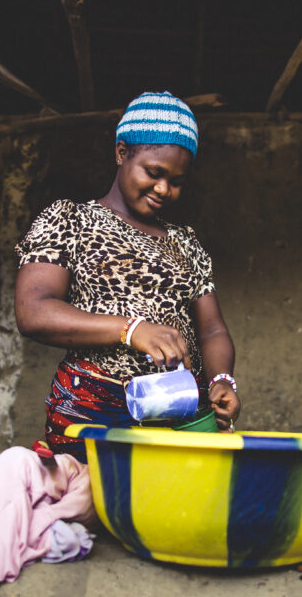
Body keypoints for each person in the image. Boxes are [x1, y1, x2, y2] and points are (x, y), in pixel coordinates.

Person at [14, 91, 241, 463]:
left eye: (177, 180)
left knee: (179, 515)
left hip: (181, 413)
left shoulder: (185, 243)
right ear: (122, 153)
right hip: (96, 409)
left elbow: (212, 330)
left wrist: (221, 380)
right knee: (99, 512)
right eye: (153, 172)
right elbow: (34, 310)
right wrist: (133, 330)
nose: (164, 189)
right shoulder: (70, 220)